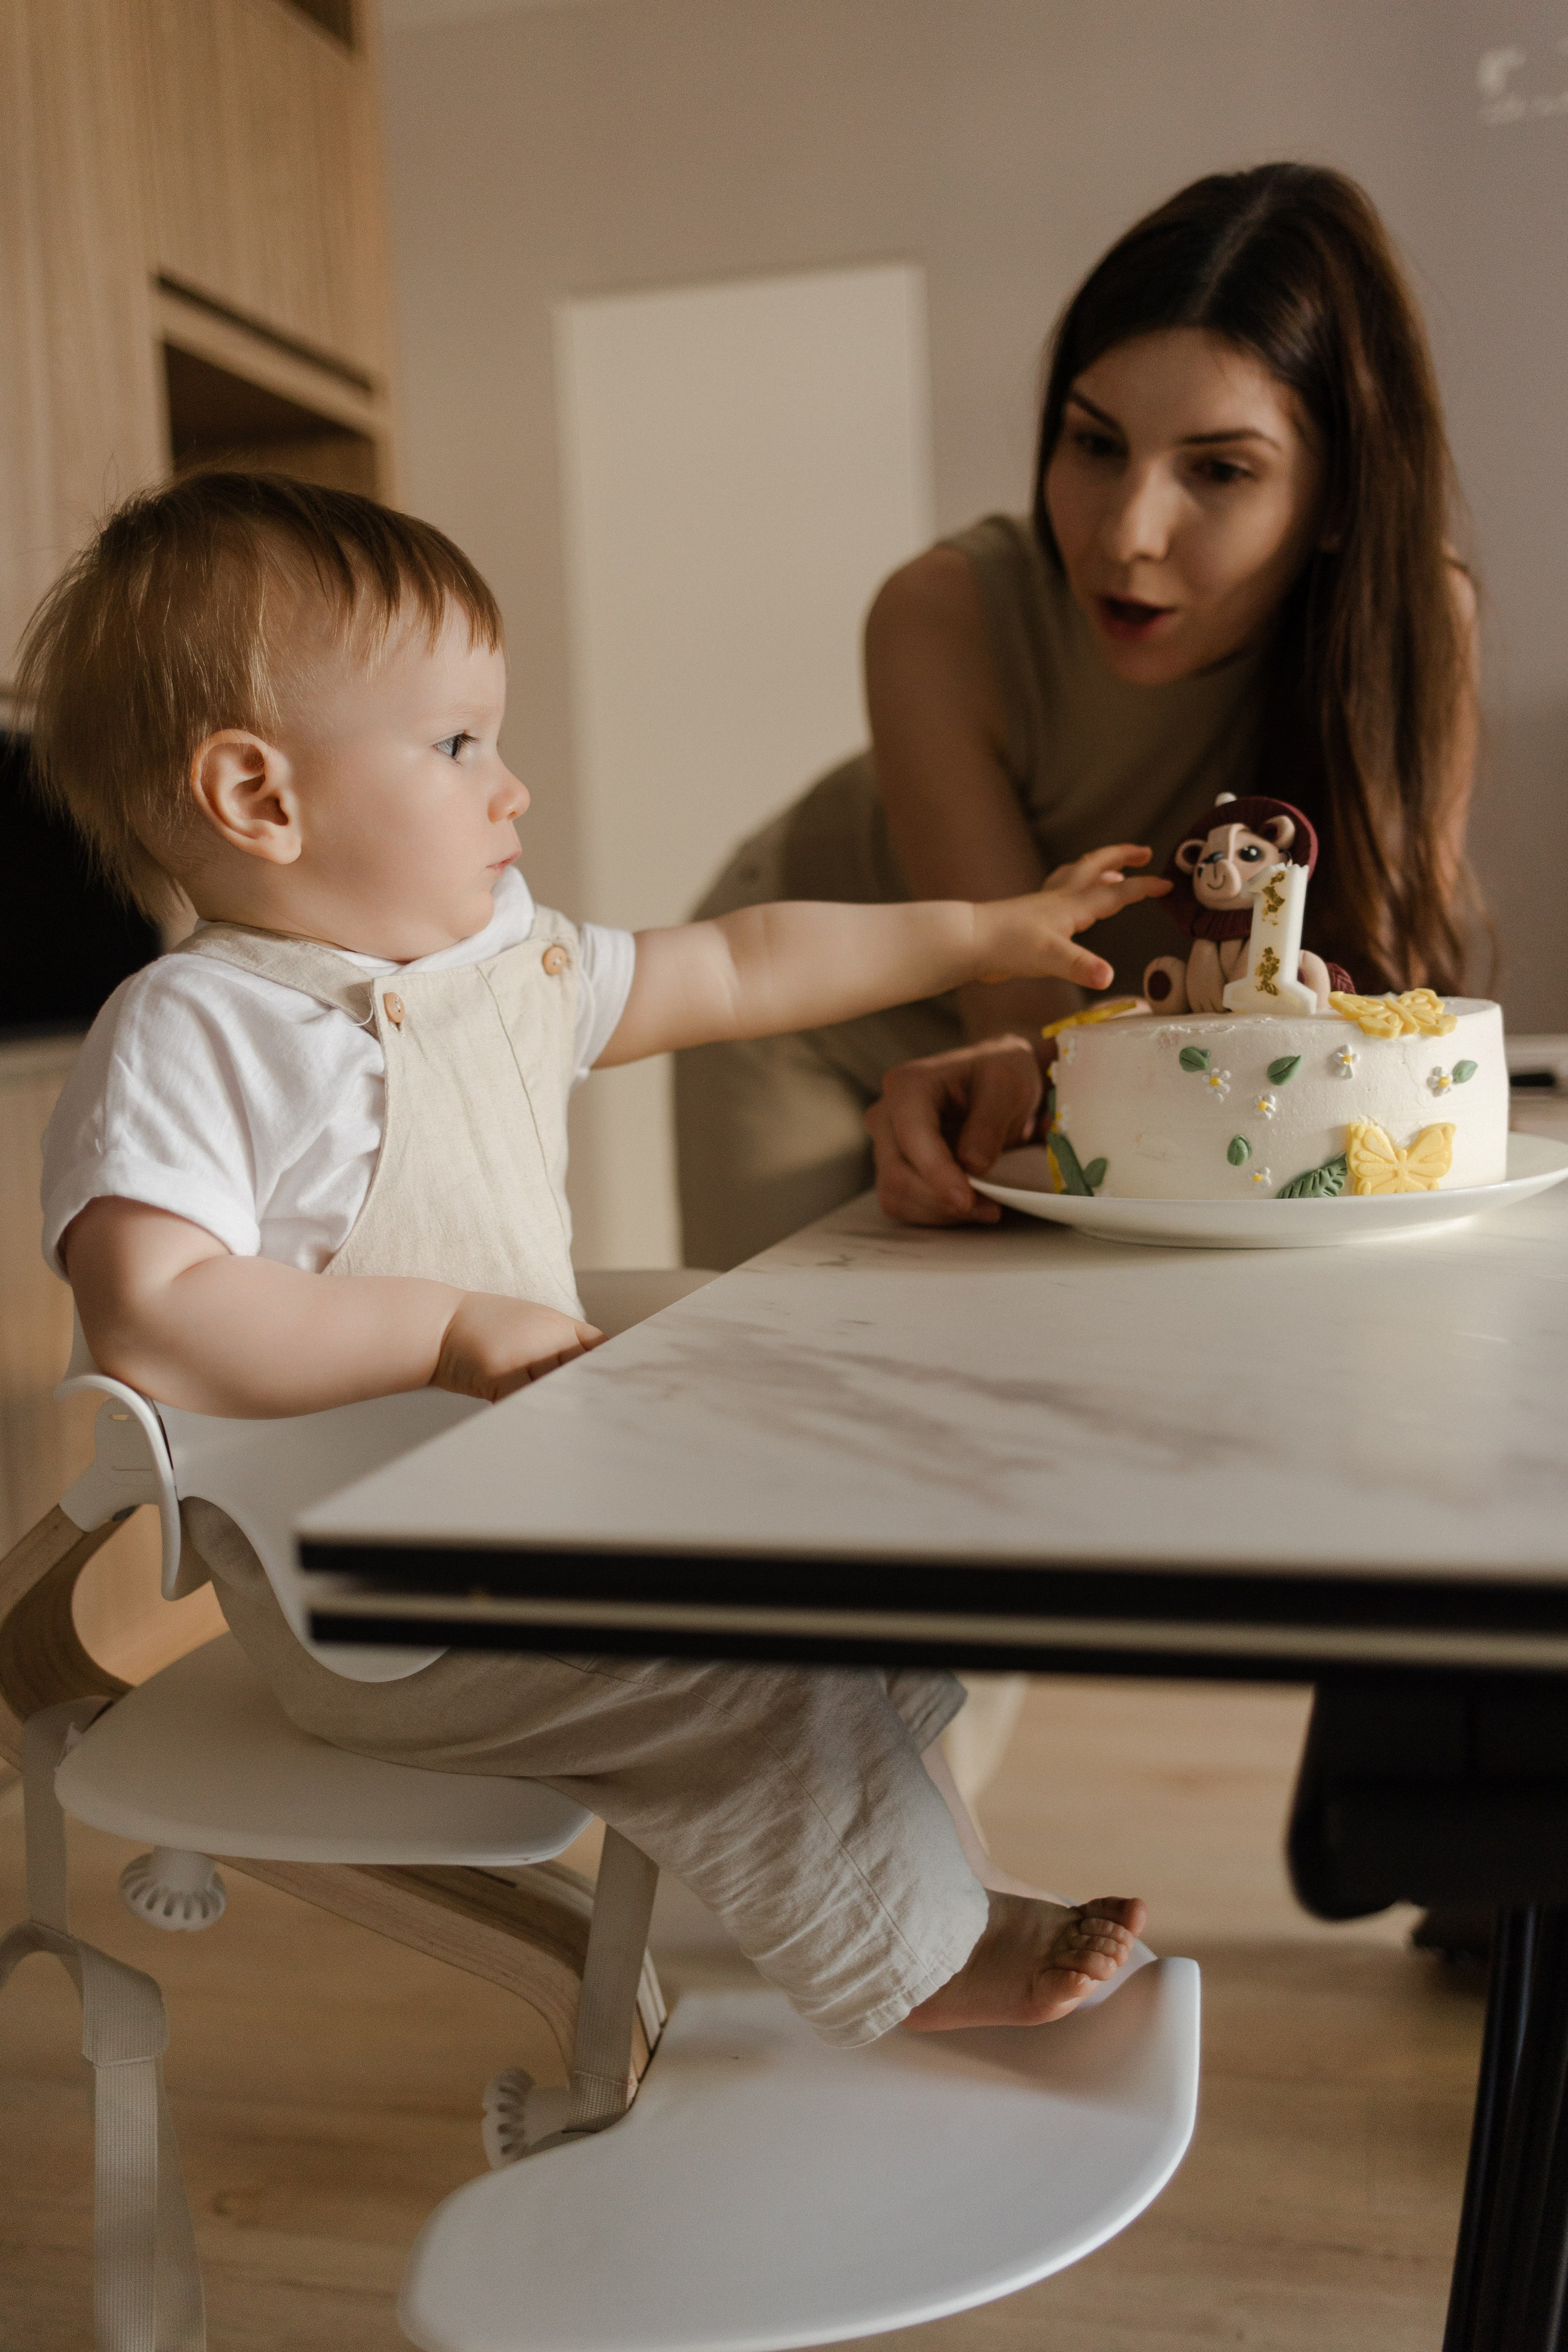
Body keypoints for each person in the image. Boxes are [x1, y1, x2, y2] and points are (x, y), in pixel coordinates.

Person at [26, 470, 1155, 2049]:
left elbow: (742, 960)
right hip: (375, 1607)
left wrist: (978, 930)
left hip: (532, 1527)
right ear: (258, 796)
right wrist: (439, 1333)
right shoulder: (198, 1032)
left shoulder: (499, 964)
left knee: (849, 1585)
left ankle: (936, 1897)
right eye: (456, 744)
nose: (513, 790)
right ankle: (908, 1964)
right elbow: (153, 1314)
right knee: (752, 1673)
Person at [675, 160, 1481, 1270]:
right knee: (772, 1371)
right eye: (1096, 444)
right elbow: (1017, 1006)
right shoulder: (941, 613)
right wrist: (1023, 1059)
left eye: (1219, 470)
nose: (1126, 533)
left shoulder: (1414, 627)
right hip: (819, 1007)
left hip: (1102, 1045)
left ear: (1340, 498)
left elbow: (1375, 1005)